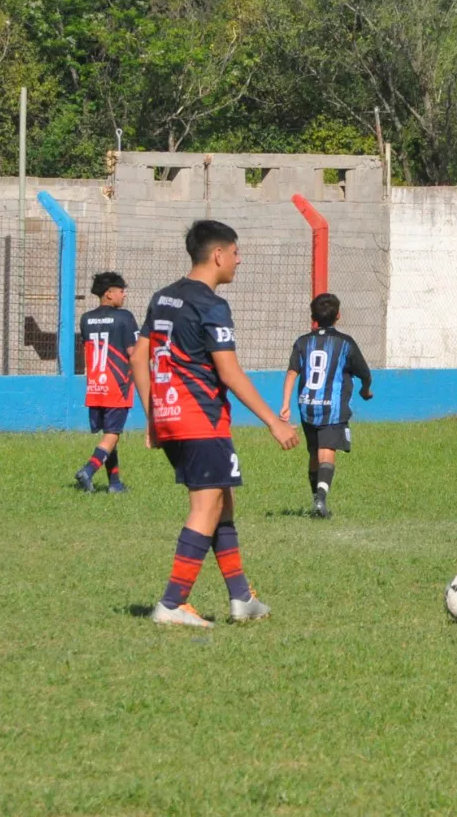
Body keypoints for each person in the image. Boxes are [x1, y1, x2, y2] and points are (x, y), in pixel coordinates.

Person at [134, 220, 299, 628]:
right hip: (200, 420)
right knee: (205, 507)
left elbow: (139, 356)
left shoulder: (163, 297)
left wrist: (153, 416)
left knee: (223, 502)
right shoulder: (211, 305)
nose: (239, 261)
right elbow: (229, 372)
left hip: (171, 418)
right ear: (218, 255)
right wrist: (273, 422)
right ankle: (173, 603)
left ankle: (241, 598)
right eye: (236, 253)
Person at [280, 293, 373, 518]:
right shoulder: (345, 343)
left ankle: (316, 500)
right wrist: (365, 389)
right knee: (326, 450)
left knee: (314, 453)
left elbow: (292, 372)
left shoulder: (303, 342)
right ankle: (321, 500)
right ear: (338, 315)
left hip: (308, 406)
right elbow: (364, 372)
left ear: (313, 317)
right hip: (332, 407)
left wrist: (285, 404)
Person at [75, 271, 139, 493]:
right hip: (117, 385)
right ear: (109, 293)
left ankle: (115, 483)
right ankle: (88, 470)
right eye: (121, 290)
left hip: (95, 386)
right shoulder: (125, 317)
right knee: (112, 434)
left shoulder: (86, 319)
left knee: (110, 435)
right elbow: (133, 353)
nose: (124, 295)